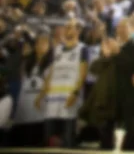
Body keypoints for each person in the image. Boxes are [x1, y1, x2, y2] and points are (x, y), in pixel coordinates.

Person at [38, 18, 89, 148]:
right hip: (52, 99)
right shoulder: (57, 49)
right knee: (48, 137)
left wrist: (76, 93)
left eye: (70, 27)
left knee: (67, 138)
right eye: (66, 27)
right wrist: (42, 94)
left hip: (69, 98)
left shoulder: (82, 49)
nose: (66, 29)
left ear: (78, 31)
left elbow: (83, 74)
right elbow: (51, 72)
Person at [11, 28, 52, 147]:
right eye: (39, 42)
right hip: (23, 112)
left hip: (39, 114)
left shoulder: (51, 64)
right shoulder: (26, 62)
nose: (42, 45)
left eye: (45, 43)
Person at [78, 38, 119, 150]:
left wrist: (111, 55)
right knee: (103, 139)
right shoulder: (103, 61)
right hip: (101, 104)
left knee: (109, 139)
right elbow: (93, 69)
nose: (108, 46)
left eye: (111, 43)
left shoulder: (119, 60)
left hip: (113, 104)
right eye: (107, 44)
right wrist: (106, 55)